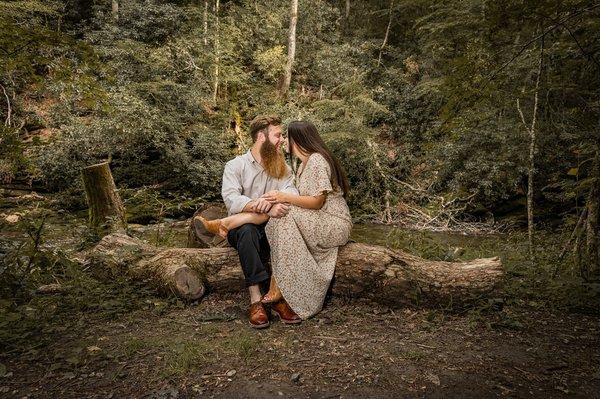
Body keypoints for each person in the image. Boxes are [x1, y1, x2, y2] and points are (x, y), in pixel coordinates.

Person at [208, 114, 302, 329]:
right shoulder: (235, 165)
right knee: (247, 230)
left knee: (285, 226)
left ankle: (277, 298)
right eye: (277, 135)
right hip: (243, 231)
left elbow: (291, 192)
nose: (281, 140)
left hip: (273, 227)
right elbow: (231, 199)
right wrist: (258, 204)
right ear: (261, 136)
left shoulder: (283, 167)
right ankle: (256, 300)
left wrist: (273, 202)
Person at [261, 120, 352, 319]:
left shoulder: (317, 160)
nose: (284, 140)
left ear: (298, 140)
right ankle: (280, 288)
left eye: (287, 136)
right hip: (319, 219)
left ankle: (283, 290)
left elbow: (318, 201)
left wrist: (284, 197)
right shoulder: (303, 165)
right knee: (279, 213)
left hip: (334, 221)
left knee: (283, 212)